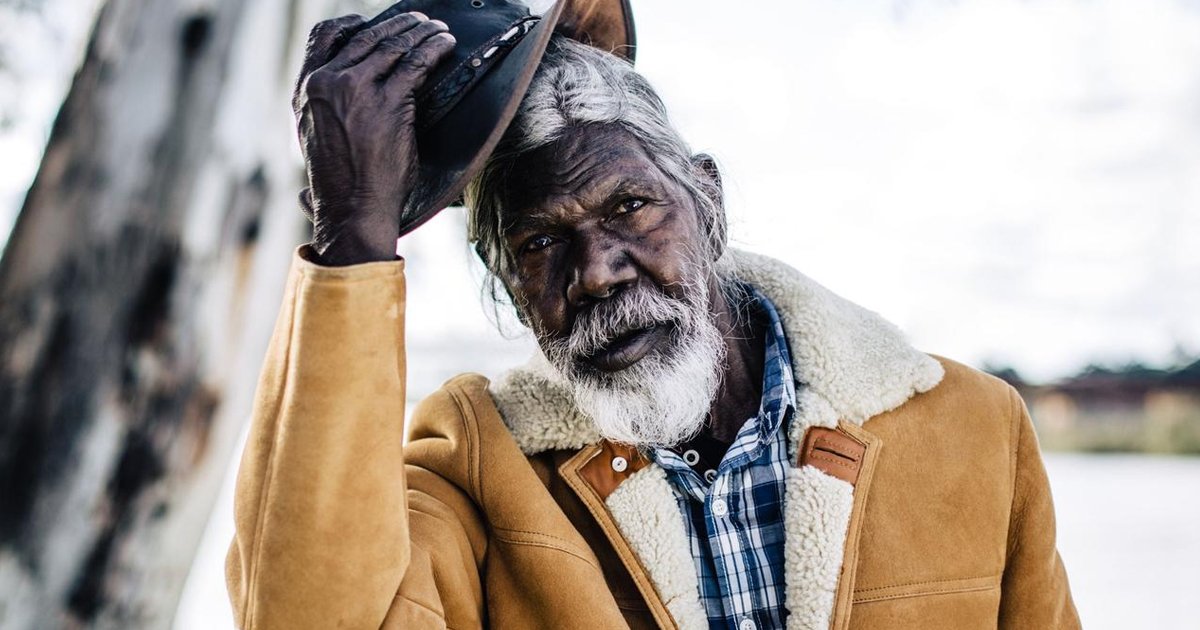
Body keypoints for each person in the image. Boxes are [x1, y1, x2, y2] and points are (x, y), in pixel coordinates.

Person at [225, 3, 1080, 629]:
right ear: (506, 284)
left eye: (631, 206)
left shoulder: (974, 431)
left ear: (705, 201)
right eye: (536, 245)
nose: (596, 272)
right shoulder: (476, 467)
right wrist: (353, 239)